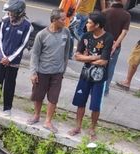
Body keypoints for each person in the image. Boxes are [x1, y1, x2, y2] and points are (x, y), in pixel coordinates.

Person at [68, 12, 113, 140]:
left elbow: (104, 61)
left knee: (95, 105)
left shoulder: (108, 38)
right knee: (80, 102)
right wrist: (95, 57)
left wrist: (86, 58)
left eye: (89, 22)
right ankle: (78, 126)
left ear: (97, 25)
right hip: (85, 76)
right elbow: (77, 56)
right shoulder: (86, 36)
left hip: (99, 78)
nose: (86, 24)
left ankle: (92, 129)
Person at [28, 8, 70, 133]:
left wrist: (63, 69)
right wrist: (33, 72)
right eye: (62, 19)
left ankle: (48, 121)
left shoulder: (66, 32)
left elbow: (67, 52)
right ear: (54, 20)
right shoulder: (42, 35)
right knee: (38, 95)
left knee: (53, 97)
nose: (65, 21)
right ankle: (36, 115)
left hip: (57, 72)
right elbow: (35, 54)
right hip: (42, 71)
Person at [0, 0, 32, 116]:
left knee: (9, 84)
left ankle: (7, 107)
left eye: (12, 12)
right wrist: (2, 56)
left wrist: (10, 58)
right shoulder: (5, 21)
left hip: (13, 62)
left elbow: (23, 45)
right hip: (1, 59)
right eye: (9, 12)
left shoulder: (27, 25)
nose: (10, 14)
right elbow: (0, 39)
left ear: (19, 12)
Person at [102, 0, 130, 95]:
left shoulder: (106, 12)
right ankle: (105, 89)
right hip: (115, 46)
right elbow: (124, 32)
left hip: (102, 43)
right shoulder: (126, 15)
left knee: (98, 64)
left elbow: (100, 28)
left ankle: (95, 86)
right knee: (110, 67)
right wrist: (115, 44)